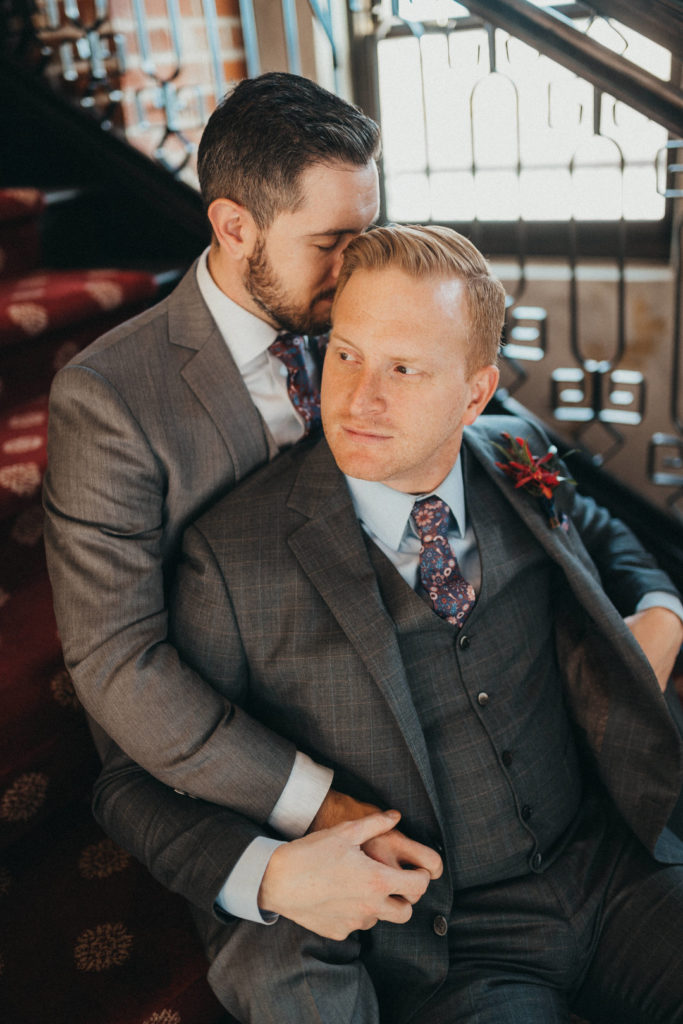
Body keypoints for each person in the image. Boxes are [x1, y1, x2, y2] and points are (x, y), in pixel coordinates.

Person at [93, 224, 683, 1024]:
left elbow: (600, 530)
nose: (358, 398)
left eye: (403, 368)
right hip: (451, 950)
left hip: (616, 871)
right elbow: (133, 784)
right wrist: (262, 875)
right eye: (345, 353)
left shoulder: (516, 450)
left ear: (474, 394)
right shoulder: (230, 561)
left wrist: (660, 607)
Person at [43, 72, 380, 801]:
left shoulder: (350, 314)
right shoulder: (109, 399)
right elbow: (117, 660)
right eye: (329, 242)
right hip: (251, 739)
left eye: (365, 235)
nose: (354, 269)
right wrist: (309, 804)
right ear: (234, 228)